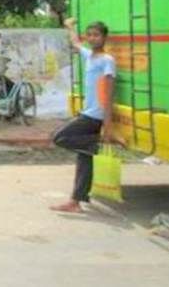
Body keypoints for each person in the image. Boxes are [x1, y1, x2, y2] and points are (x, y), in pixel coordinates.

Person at [50, 18, 120, 214]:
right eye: (89, 35)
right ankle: (76, 201)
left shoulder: (108, 61)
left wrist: (108, 126)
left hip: (94, 115)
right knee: (84, 158)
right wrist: (70, 26)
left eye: (96, 35)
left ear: (104, 37)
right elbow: (75, 43)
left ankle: (99, 142)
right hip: (88, 112)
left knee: (59, 137)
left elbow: (108, 93)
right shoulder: (90, 56)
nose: (92, 38)